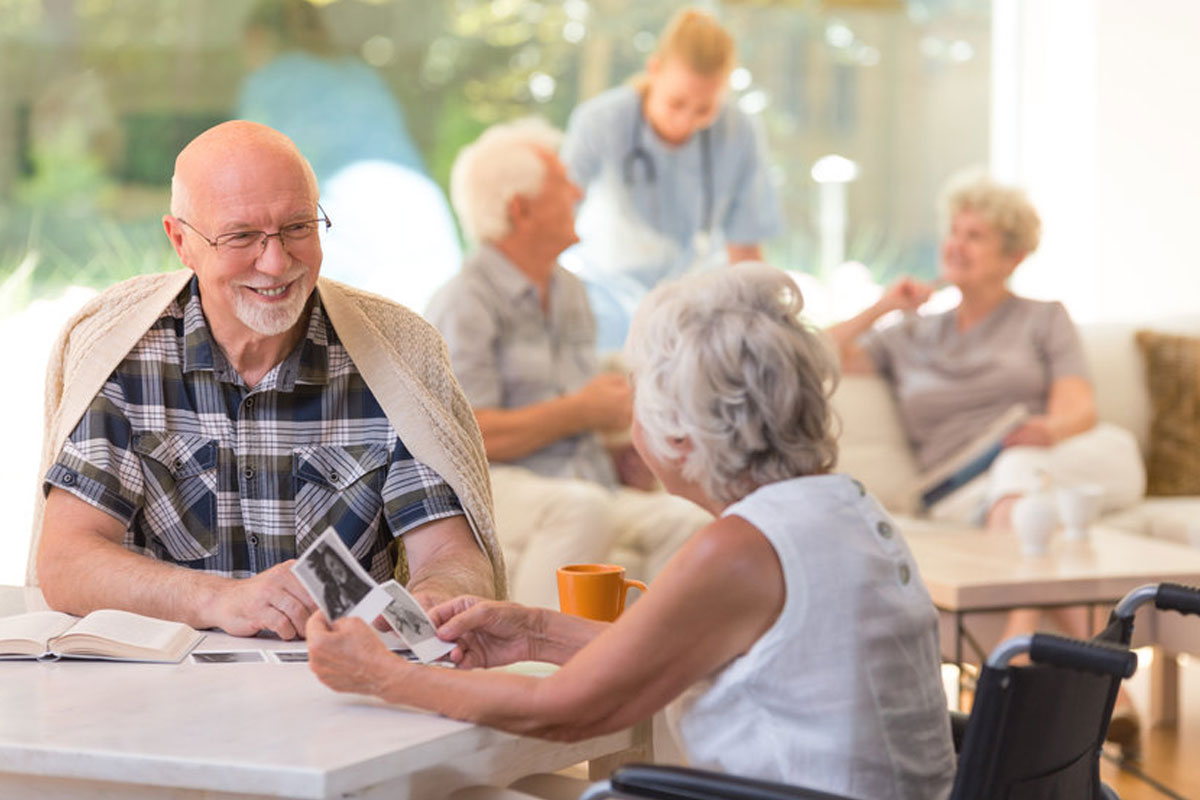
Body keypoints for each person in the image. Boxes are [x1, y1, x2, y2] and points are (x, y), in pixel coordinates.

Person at [308, 264, 957, 800]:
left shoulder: (740, 551)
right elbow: (673, 646)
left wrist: (381, 677)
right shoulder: (838, 508)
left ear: (678, 436)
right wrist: (532, 631)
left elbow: (563, 711)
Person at [32, 120, 504, 641]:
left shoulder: (394, 355)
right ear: (181, 241)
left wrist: (436, 600)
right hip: (167, 693)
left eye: (299, 227)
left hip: (346, 685)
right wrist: (219, 600)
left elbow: (450, 554)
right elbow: (67, 562)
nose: (276, 263)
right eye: (242, 236)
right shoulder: (123, 352)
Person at [827, 168, 1146, 755]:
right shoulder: (910, 334)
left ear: (1013, 255)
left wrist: (1044, 429)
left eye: (975, 235)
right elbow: (812, 358)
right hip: (956, 488)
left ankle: (1021, 654)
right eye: (954, 230)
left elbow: (1078, 406)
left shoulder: (1044, 317)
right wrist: (881, 306)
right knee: (1029, 490)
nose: (956, 244)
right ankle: (1098, 687)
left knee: (1044, 472)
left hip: (1036, 462)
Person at [425, 118, 712, 609]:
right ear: (522, 209)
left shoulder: (570, 291)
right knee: (582, 509)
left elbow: (581, 409)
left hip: (584, 481)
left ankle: (657, 676)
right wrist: (581, 412)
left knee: (691, 521)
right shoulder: (464, 302)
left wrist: (624, 447)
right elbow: (468, 437)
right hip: (490, 487)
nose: (578, 192)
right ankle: (533, 671)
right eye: (563, 184)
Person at [560, 7, 783, 351]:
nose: (686, 121)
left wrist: (767, 329)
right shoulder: (600, 122)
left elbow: (745, 247)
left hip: (698, 307)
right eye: (676, 102)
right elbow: (558, 216)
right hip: (607, 300)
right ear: (654, 70)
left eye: (704, 109)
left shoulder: (740, 132)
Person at [237, 0, 462, 312]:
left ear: (259, 36)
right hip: (420, 210)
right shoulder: (360, 75)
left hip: (349, 214)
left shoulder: (269, 82)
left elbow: (247, 174)